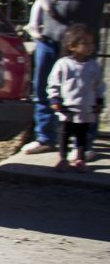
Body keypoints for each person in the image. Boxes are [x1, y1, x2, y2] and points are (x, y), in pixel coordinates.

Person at [22, 0, 110, 157]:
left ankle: (84, 144)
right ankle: (45, 137)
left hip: (84, 43)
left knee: (86, 92)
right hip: (50, 34)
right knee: (44, 87)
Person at [47, 23, 104, 172]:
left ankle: (80, 159)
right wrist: (54, 99)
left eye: (92, 43)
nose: (90, 47)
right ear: (71, 46)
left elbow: (99, 85)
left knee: (82, 135)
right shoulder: (63, 64)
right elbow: (54, 83)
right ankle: (63, 158)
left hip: (86, 108)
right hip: (67, 108)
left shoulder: (94, 66)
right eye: (85, 43)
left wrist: (99, 101)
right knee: (64, 134)